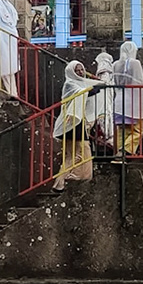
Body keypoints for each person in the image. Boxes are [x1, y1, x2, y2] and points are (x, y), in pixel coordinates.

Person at [51, 61, 102, 191]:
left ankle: (59, 184)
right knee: (80, 153)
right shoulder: (70, 84)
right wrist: (95, 88)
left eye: (81, 69)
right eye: (77, 70)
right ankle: (76, 177)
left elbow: (86, 90)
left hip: (73, 122)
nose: (80, 72)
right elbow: (82, 92)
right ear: (71, 72)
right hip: (72, 123)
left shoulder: (79, 83)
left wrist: (97, 86)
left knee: (71, 155)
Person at [113, 40, 143, 155]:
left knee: (122, 130)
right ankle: (126, 150)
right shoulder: (135, 63)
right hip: (134, 100)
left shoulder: (115, 64)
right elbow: (140, 82)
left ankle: (119, 154)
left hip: (119, 100)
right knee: (138, 130)